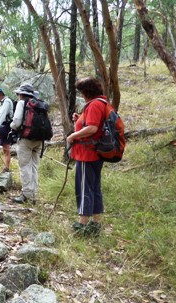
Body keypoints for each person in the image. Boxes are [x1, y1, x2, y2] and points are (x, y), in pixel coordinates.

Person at [66, 77, 106, 236]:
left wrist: (73, 136)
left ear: (87, 92)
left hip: (87, 153)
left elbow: (92, 128)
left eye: (82, 92)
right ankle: (96, 223)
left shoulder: (94, 105)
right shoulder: (101, 102)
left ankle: (82, 224)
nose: (81, 95)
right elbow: (90, 124)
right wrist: (80, 119)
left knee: (84, 187)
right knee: (94, 186)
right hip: (95, 152)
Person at [9, 83, 43, 204]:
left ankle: (26, 195)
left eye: (18, 94)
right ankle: (34, 195)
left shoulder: (22, 103)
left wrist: (11, 126)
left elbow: (17, 122)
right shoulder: (39, 104)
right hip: (39, 139)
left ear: (21, 94)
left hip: (26, 139)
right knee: (34, 166)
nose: (18, 96)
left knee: (25, 166)